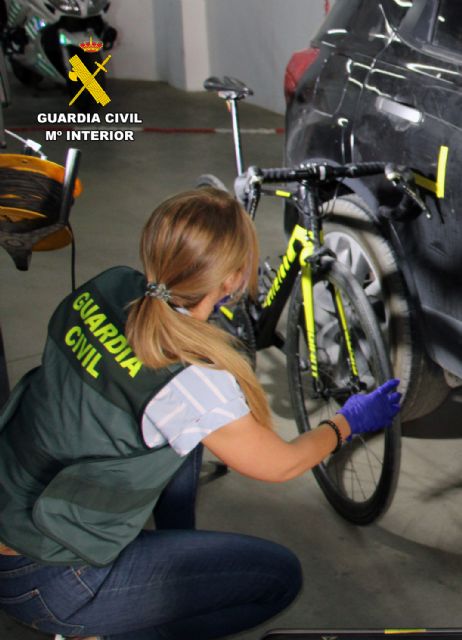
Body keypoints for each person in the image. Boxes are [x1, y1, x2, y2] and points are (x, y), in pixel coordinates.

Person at [0, 187, 401, 640]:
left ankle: (171, 553)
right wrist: (347, 421)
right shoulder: (194, 382)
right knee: (278, 579)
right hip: (51, 579)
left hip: (12, 509)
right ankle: (107, 628)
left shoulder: (106, 287)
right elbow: (280, 463)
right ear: (228, 281)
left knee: (185, 441)